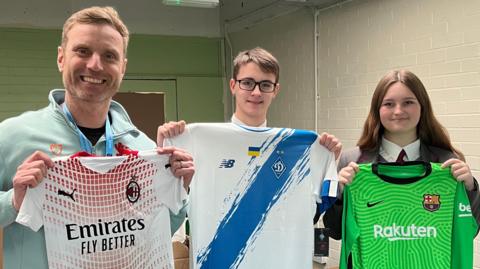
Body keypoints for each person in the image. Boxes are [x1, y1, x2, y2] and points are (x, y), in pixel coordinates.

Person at [0, 6, 193, 269]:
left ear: (122, 68)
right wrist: (14, 201)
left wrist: (179, 188)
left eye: (109, 56)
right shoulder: (11, 137)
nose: (95, 64)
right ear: (61, 58)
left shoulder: (144, 149)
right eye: (83, 51)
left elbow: (154, 232)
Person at [323, 69, 480, 241]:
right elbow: (335, 232)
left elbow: (468, 232)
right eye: (388, 104)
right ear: (377, 110)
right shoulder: (351, 162)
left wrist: (470, 189)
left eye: (408, 102)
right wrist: (339, 194)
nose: (398, 111)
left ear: (422, 107)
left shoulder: (447, 162)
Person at [157, 47, 342, 158]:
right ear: (232, 86)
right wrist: (164, 144)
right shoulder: (199, 141)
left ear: (275, 90)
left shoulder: (292, 149)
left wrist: (326, 158)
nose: (256, 92)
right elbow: (168, 199)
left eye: (265, 84)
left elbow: (309, 210)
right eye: (247, 83)